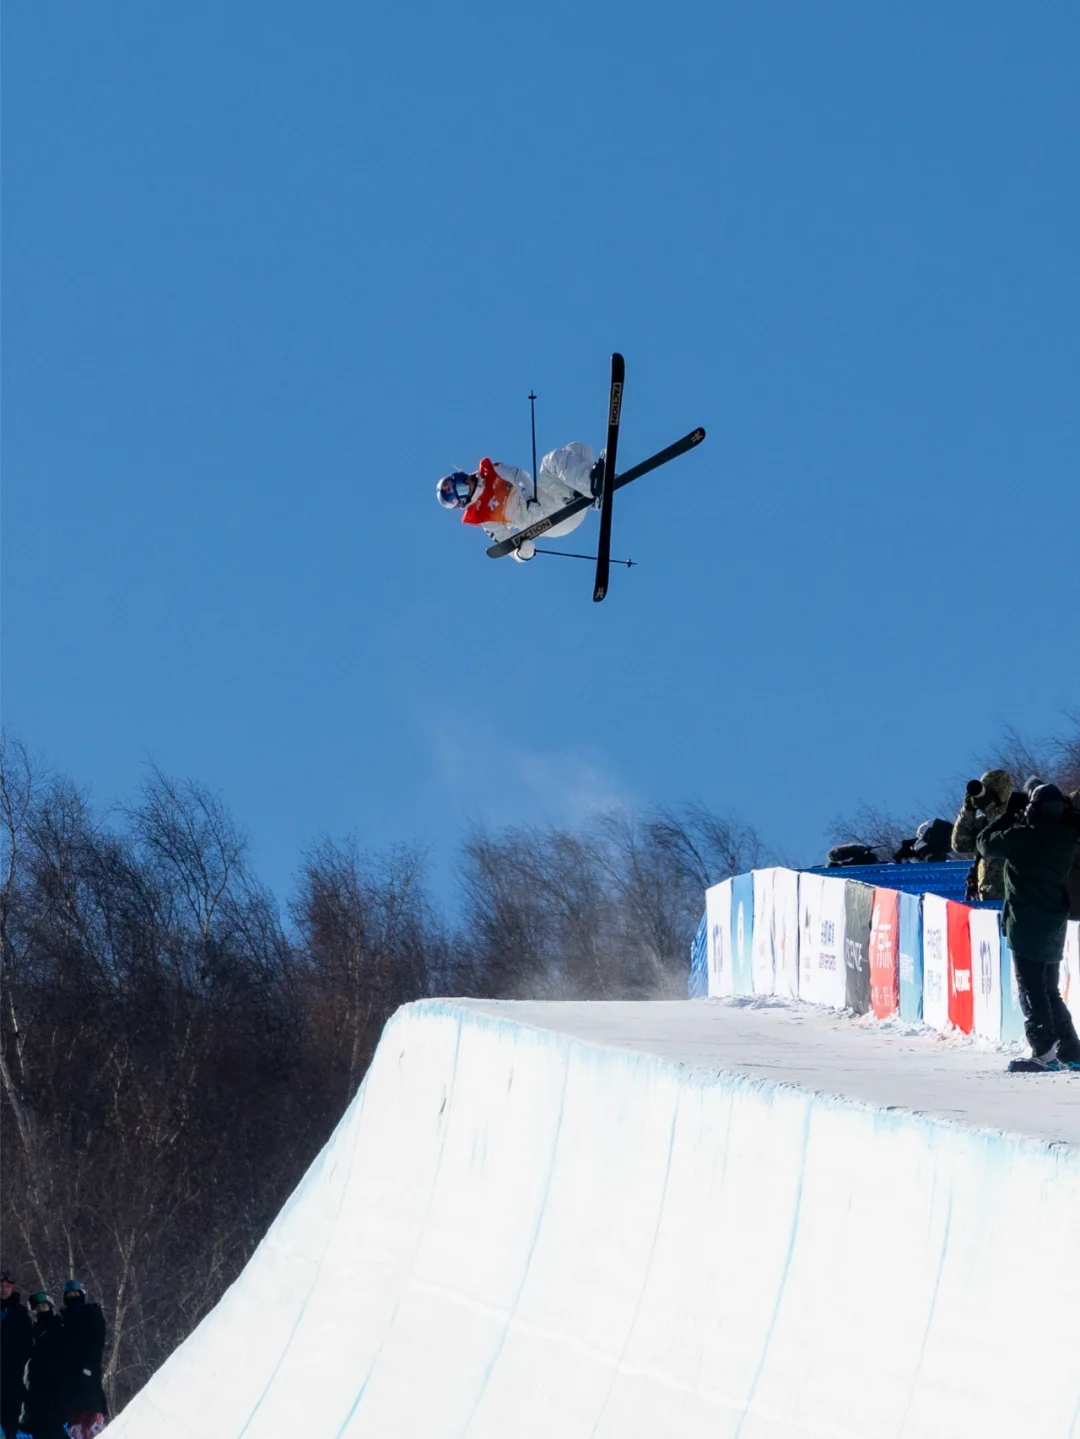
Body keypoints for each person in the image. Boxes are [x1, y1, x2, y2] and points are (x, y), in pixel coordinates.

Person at [977, 783, 1080, 1070]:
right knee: (1048, 989)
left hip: (1025, 922)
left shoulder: (1024, 837)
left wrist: (1008, 814)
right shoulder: (1067, 838)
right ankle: (1071, 1048)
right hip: (1054, 921)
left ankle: (1044, 1050)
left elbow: (985, 844)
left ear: (1033, 809)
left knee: (1031, 989)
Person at [437, 442, 601, 560]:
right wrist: (522, 554)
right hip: (547, 520)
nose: (468, 485)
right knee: (552, 460)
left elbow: (517, 475)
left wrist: (529, 498)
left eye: (461, 483)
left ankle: (592, 486)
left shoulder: (490, 471)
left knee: (577, 449)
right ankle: (591, 488)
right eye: (463, 492)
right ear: (462, 503)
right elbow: (506, 545)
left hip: (556, 499)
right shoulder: (482, 516)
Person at [951, 768, 1013, 900]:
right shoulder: (982, 823)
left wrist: (991, 809)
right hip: (986, 898)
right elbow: (960, 845)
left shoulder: (1019, 817)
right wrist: (968, 810)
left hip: (1013, 897)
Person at [57, 1281, 108, 1439]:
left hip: (88, 1383)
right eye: (69, 1295)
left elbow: (97, 1344)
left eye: (76, 1295)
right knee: (76, 1427)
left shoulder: (91, 1314)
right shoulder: (63, 1321)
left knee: (92, 1424)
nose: (73, 1298)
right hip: (70, 1387)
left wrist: (89, 1367)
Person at [23, 1293, 67, 1439]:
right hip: (35, 1392)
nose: (41, 1310)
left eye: (44, 1306)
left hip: (55, 1392)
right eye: (38, 1308)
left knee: (55, 1430)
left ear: (51, 1307)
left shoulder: (59, 1328)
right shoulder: (32, 1332)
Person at [1, 1269, 33, 1439]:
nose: (3, 1289)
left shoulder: (20, 1314)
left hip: (13, 1380)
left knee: (11, 1425)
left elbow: (28, 1346)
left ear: (12, 1287)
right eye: (1, 1285)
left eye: (7, 1286)